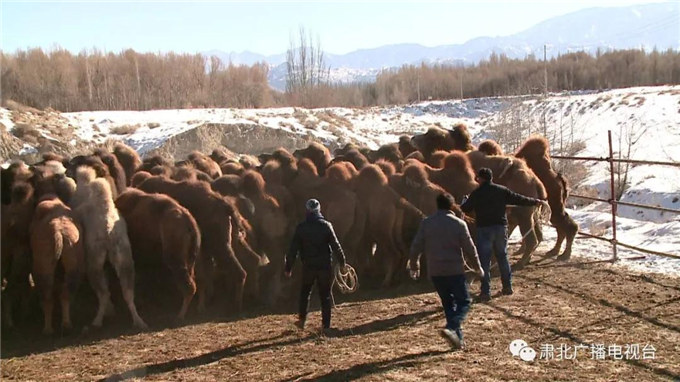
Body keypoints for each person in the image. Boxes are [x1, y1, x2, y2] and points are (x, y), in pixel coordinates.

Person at [409, 193, 484, 350]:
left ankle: (458, 340)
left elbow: (416, 245)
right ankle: (451, 327)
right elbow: (470, 248)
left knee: (448, 303)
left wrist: (414, 265)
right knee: (464, 301)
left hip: (435, 272)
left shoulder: (426, 223)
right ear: (452, 206)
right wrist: (478, 267)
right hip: (454, 270)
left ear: (437, 205)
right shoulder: (459, 224)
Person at [460, 167, 547, 302]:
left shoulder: (476, 193)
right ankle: (507, 287)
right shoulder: (502, 190)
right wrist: (535, 201)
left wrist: (464, 201)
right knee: (502, 257)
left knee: (484, 261)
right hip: (500, 228)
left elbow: (465, 209)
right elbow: (519, 199)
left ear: (481, 179)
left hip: (484, 229)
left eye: (477, 178)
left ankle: (485, 292)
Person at [285, 198, 348, 334]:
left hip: (309, 266)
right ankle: (326, 326)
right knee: (325, 295)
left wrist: (288, 268)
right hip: (325, 266)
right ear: (319, 210)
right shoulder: (326, 225)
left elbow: (293, 250)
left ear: (307, 211)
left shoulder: (301, 228)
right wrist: (342, 262)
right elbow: (336, 246)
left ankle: (302, 321)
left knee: (305, 293)